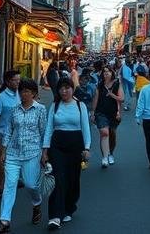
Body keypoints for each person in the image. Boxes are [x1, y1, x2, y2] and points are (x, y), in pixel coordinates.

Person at [0, 79, 47, 233]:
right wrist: (3, 150)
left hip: (32, 153)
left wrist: (44, 153)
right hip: (14, 153)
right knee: (9, 185)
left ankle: (36, 203)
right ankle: (4, 220)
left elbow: (44, 132)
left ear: (34, 93)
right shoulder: (14, 109)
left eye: (27, 91)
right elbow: (9, 130)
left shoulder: (40, 109)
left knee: (30, 184)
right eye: (21, 91)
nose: (23, 94)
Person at [41, 77, 92, 230]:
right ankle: (55, 215)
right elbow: (49, 128)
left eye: (67, 88)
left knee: (72, 179)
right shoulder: (55, 106)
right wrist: (45, 149)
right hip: (57, 145)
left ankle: (69, 207)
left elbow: (85, 127)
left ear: (72, 88)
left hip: (76, 145)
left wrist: (87, 148)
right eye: (61, 88)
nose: (64, 91)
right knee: (58, 179)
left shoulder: (80, 105)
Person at [0, 69, 21, 199]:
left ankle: (11, 183)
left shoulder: (20, 94)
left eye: (19, 80)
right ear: (8, 82)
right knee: (0, 162)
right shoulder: (0, 97)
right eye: (15, 80)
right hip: (3, 134)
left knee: (14, 160)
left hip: (17, 134)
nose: (18, 83)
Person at [91, 66, 123, 167]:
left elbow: (122, 99)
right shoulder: (99, 85)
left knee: (112, 134)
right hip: (101, 112)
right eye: (104, 72)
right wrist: (93, 112)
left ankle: (110, 154)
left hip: (114, 113)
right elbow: (96, 99)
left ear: (112, 73)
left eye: (108, 71)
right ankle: (104, 157)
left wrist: (112, 95)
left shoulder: (117, 84)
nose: (106, 73)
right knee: (104, 133)